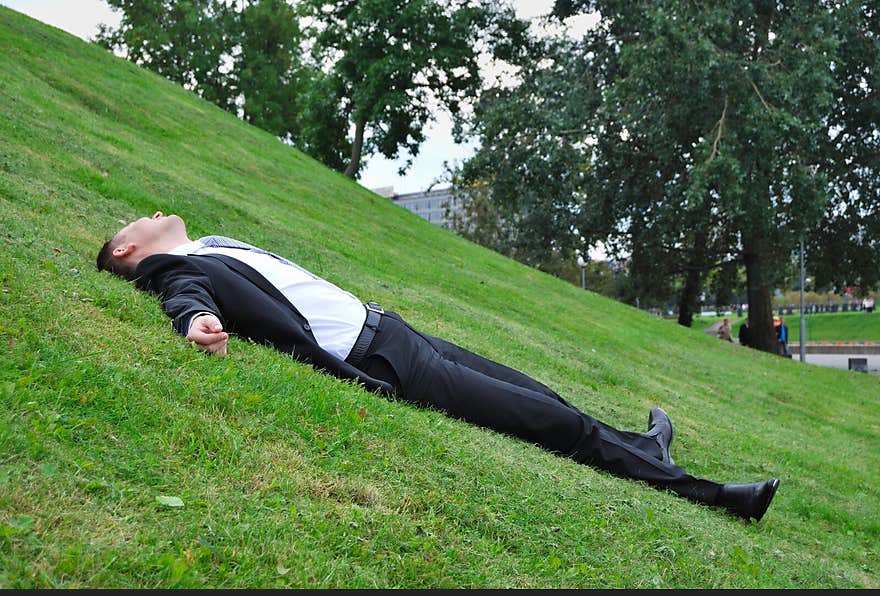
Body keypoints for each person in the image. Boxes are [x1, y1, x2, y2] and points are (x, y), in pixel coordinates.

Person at [96, 211, 780, 521]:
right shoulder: (173, 268)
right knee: (545, 421)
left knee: (539, 395)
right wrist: (196, 323)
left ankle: (643, 446)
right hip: (384, 361)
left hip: (392, 328)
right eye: (138, 222)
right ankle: (710, 494)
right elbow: (182, 294)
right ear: (129, 251)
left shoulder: (212, 240)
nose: (153, 213)